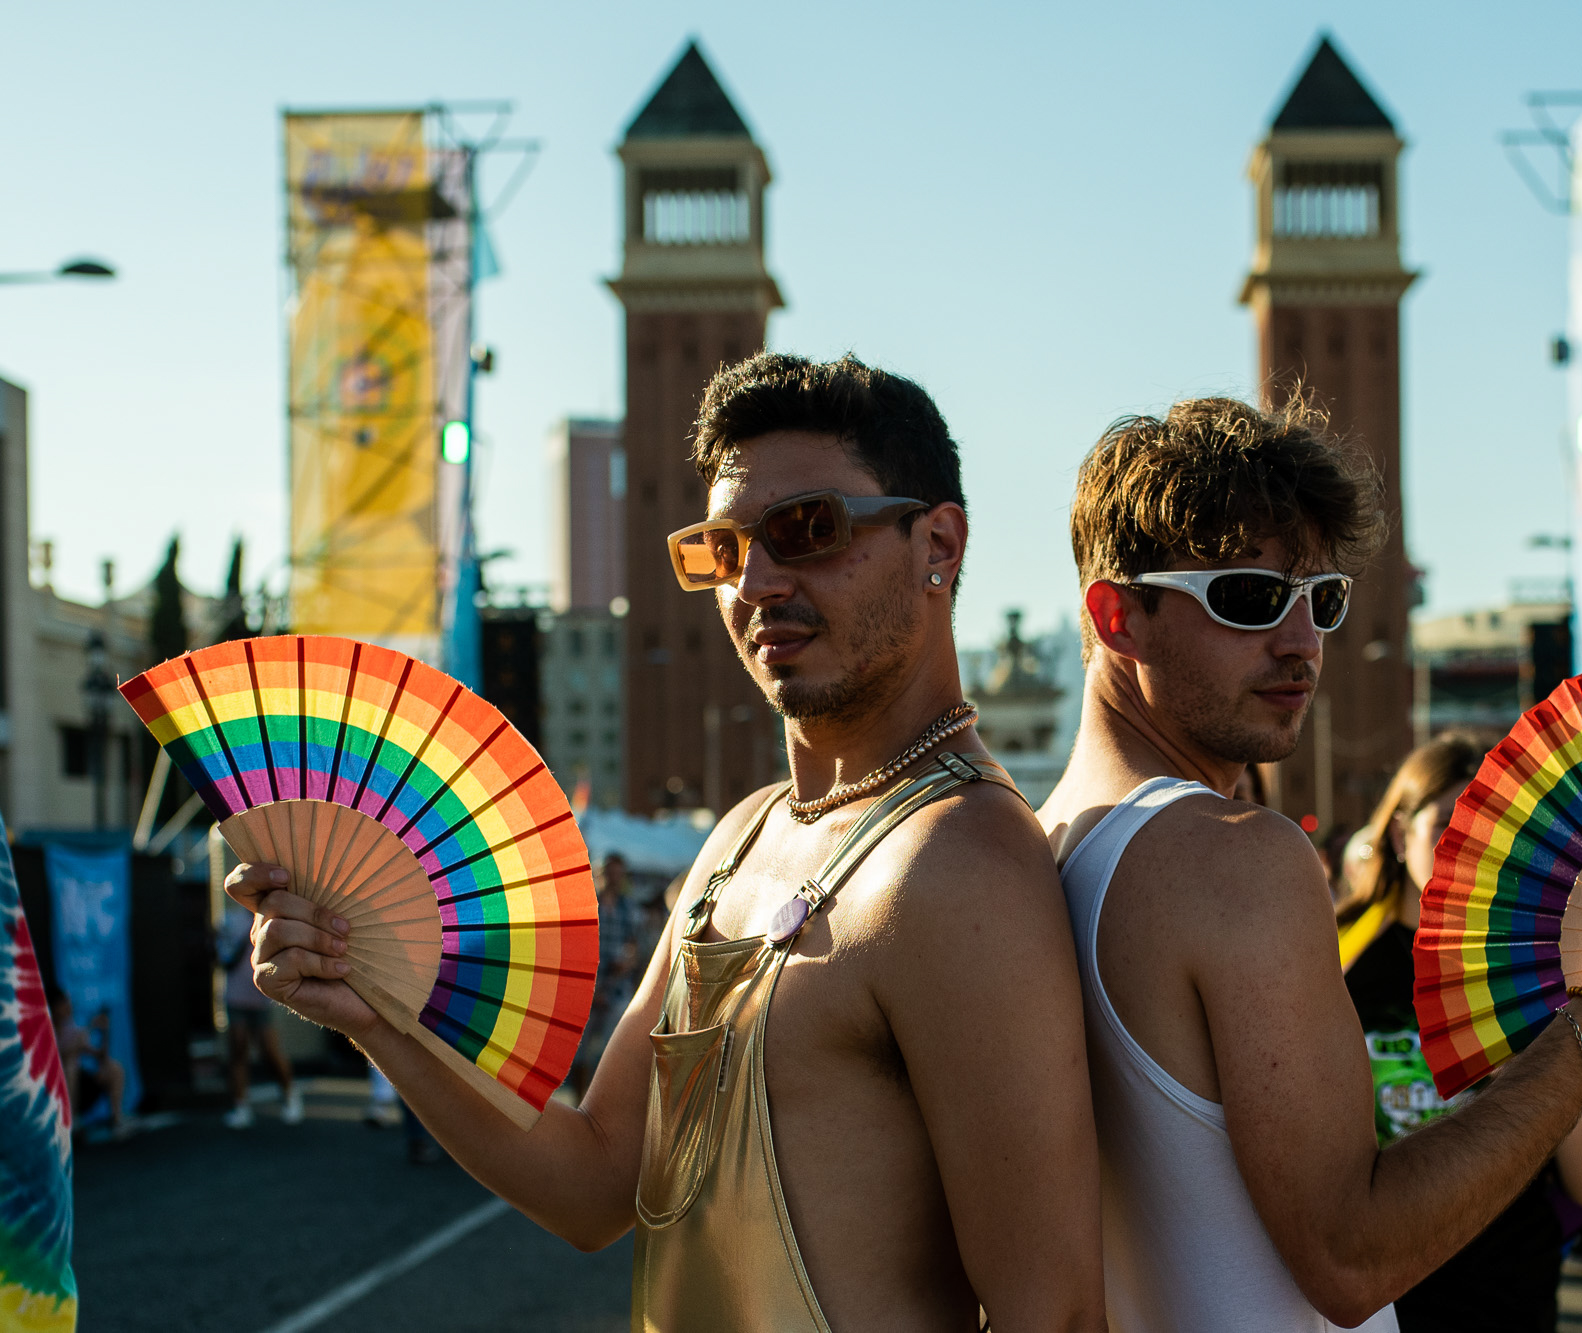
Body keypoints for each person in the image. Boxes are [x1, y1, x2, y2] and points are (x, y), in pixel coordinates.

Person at [226, 353, 1104, 1332]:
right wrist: (373, 1012)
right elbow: (595, 1181)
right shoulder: (743, 834)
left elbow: (1053, 1313)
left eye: (808, 528)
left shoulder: (960, 862)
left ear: (937, 543)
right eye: (724, 549)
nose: (756, 582)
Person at [1039, 395, 1582, 1330]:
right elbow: (1351, 1256)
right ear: (1116, 615)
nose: (1302, 642)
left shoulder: (1047, 842)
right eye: (1250, 597)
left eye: (1322, 599)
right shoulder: (1236, 855)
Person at [1337, 734, 1582, 1331]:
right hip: (1376, 1305)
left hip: (1511, 1299)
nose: (1469, 845)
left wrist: (1526, 1062)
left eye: (1493, 827)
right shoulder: (1334, 963)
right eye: (1448, 822)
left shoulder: (1551, 972)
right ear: (1400, 835)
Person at [218, 902, 301, 1129]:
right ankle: (240, 1106)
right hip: (235, 997)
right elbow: (224, 959)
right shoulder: (230, 920)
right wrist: (245, 938)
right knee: (238, 1049)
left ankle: (289, 1094)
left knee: (269, 1050)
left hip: (262, 997)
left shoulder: (271, 919)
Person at [572, 852, 643, 1094]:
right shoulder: (588, 905)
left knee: (611, 1050)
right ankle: (580, 1098)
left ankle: (599, 1096)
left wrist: (627, 962)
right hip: (588, 988)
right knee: (579, 1049)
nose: (613, 879)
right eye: (609, 873)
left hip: (616, 988)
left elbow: (634, 947)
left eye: (617, 874)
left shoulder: (628, 908)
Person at [50, 989, 128, 1139]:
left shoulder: (72, 1030)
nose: (69, 1007)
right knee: (70, 1066)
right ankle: (70, 1123)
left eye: (68, 1002)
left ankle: (116, 1120)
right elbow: (65, 1054)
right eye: (64, 1003)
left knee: (114, 1068)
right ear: (54, 1007)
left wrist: (105, 1032)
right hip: (57, 1091)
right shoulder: (47, 1031)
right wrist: (90, 1027)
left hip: (81, 1087)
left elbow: (100, 1057)